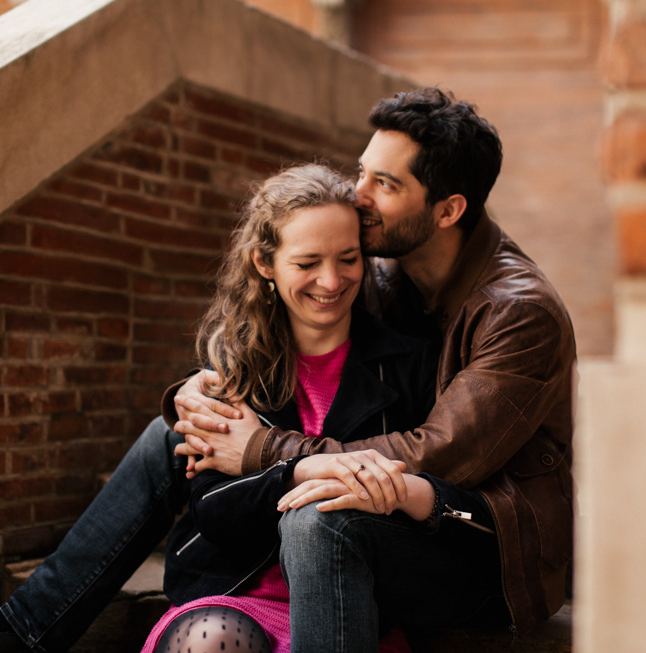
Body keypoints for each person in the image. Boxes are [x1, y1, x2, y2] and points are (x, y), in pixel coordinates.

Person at [172, 86, 576, 650]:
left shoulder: (519, 311)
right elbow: (275, 329)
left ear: (448, 210)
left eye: (385, 185)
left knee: (316, 518)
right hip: (391, 510)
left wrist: (267, 452)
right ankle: (27, 630)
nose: (358, 197)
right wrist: (200, 393)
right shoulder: (385, 272)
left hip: (484, 544)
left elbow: (437, 454)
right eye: (363, 173)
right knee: (176, 436)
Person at [140, 163, 449, 653]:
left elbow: (417, 484)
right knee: (207, 643)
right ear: (266, 264)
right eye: (307, 264)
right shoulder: (233, 364)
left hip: (354, 598)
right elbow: (215, 508)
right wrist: (300, 472)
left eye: (348, 258)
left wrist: (268, 463)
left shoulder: (411, 362)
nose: (331, 281)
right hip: (236, 591)